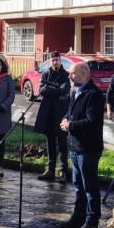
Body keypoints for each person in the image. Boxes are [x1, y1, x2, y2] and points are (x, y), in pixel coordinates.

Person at [59, 62, 105, 228]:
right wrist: (65, 120)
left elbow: (92, 122)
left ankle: (92, 221)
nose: (69, 76)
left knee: (90, 186)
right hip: (74, 146)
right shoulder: (75, 91)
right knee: (78, 185)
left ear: (84, 75)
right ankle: (78, 217)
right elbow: (70, 113)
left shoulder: (94, 94)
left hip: (88, 148)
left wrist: (71, 125)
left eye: (73, 73)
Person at [34, 51, 71, 183]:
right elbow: (42, 90)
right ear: (50, 61)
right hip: (48, 112)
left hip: (61, 112)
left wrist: (51, 89)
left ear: (60, 60)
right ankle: (50, 170)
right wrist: (55, 90)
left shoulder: (65, 75)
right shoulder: (45, 74)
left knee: (62, 143)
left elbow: (65, 90)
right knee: (50, 142)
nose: (55, 62)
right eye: (53, 60)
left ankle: (63, 171)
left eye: (57, 60)